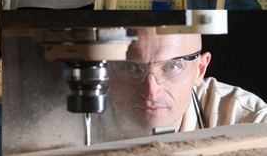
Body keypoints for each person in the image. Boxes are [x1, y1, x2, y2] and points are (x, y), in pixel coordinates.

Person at [106, 27, 267, 140]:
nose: (151, 92)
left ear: (200, 69)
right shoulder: (81, 120)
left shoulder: (252, 120)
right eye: (130, 67)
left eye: (171, 67)